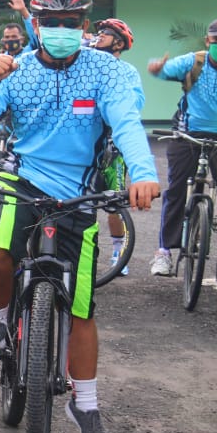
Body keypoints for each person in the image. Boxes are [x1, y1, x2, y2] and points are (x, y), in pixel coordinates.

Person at [0, 0, 160, 433]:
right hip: (22, 179)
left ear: (84, 24)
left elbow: (128, 124)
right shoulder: (16, 68)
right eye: (50, 21)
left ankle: (86, 405)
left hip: (80, 194)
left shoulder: (105, 70)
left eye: (69, 22)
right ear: (36, 23)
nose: (59, 28)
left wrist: (143, 171)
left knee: (81, 306)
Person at [147, 17, 217, 275]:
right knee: (177, 190)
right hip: (187, 132)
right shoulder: (194, 61)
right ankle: (164, 251)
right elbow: (166, 69)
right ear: (207, 40)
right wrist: (157, 69)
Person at [91, 18, 143, 276]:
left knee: (114, 201)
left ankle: (117, 252)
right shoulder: (83, 64)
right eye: (98, 32)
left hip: (113, 149)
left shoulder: (128, 71)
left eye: (106, 34)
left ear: (119, 43)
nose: (99, 36)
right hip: (85, 145)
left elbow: (135, 106)